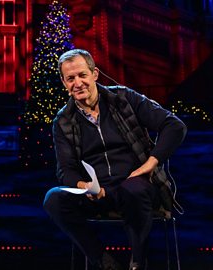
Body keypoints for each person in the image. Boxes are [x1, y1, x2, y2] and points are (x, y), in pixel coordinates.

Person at [43, 49, 187, 270]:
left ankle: (138, 263)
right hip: (98, 194)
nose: (78, 83)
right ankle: (104, 262)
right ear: (64, 82)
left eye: (82, 75)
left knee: (134, 189)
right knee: (53, 199)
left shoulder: (123, 98)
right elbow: (66, 170)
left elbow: (174, 126)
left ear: (95, 74)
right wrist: (86, 187)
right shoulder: (63, 120)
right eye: (70, 79)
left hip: (135, 185)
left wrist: (150, 164)